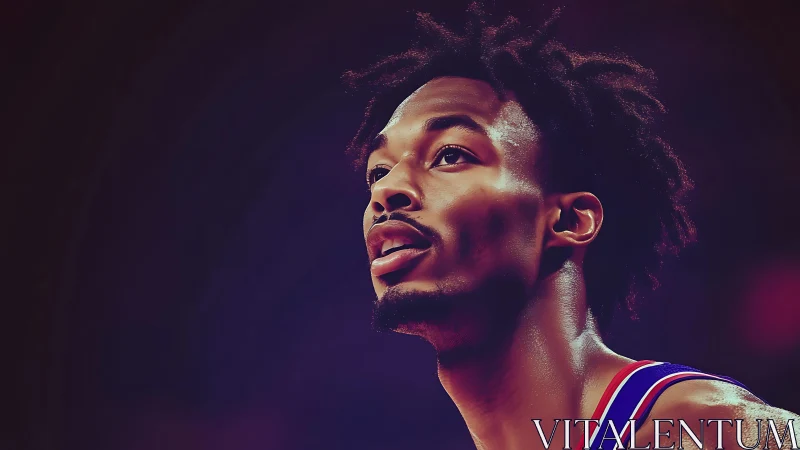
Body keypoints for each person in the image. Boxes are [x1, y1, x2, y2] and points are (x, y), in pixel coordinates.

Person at [344, 4, 799, 450]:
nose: (388, 189)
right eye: (378, 171)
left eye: (450, 155)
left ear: (568, 220)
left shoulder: (708, 430)